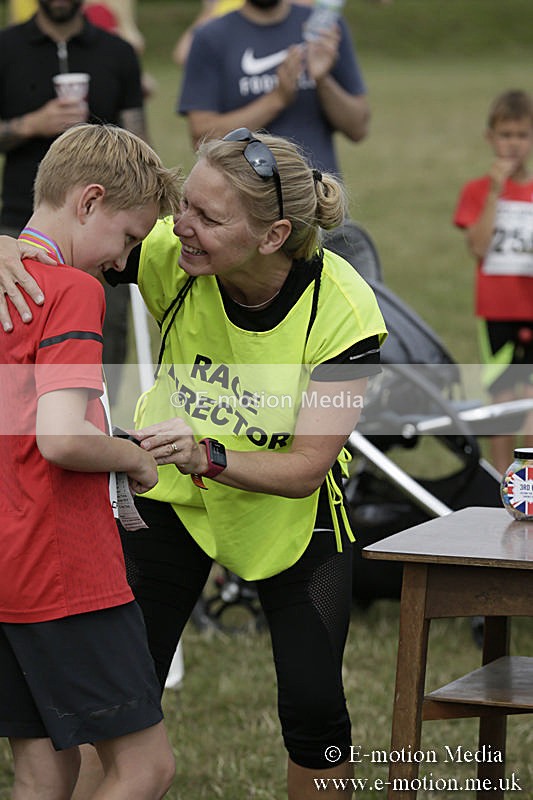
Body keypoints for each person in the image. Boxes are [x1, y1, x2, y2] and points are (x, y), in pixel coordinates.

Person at [0, 128, 387, 799]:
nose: (181, 228)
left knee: (314, 705)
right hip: (167, 497)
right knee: (108, 703)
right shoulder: (166, 248)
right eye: (185, 207)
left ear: (272, 237)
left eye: (207, 218)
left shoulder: (343, 312)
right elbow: (60, 237)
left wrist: (207, 454)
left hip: (287, 516)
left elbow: (304, 470)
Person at [0, 123, 181, 799]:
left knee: (46, 768)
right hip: (65, 567)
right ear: (88, 201)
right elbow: (62, 438)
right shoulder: (71, 289)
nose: (122, 260)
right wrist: (132, 458)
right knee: (144, 767)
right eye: (129, 237)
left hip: (10, 564)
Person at [0, 0, 148, 404]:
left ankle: (100, 416)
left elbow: (140, 137)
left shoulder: (116, 52)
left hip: (105, 226)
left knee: (104, 333)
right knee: (21, 335)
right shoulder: (6, 47)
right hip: (17, 221)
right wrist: (31, 124)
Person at [177, 0, 370, 176]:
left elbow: (358, 128)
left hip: (319, 197)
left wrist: (322, 80)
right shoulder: (210, 36)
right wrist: (276, 100)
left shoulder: (321, 27)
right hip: (247, 202)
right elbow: (201, 138)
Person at [453, 89, 533, 474]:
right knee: (502, 398)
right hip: (497, 309)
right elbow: (478, 247)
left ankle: (529, 482)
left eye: (521, 135)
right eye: (506, 134)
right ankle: (502, 482)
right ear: (491, 137)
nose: (513, 144)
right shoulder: (477, 191)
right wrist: (497, 192)